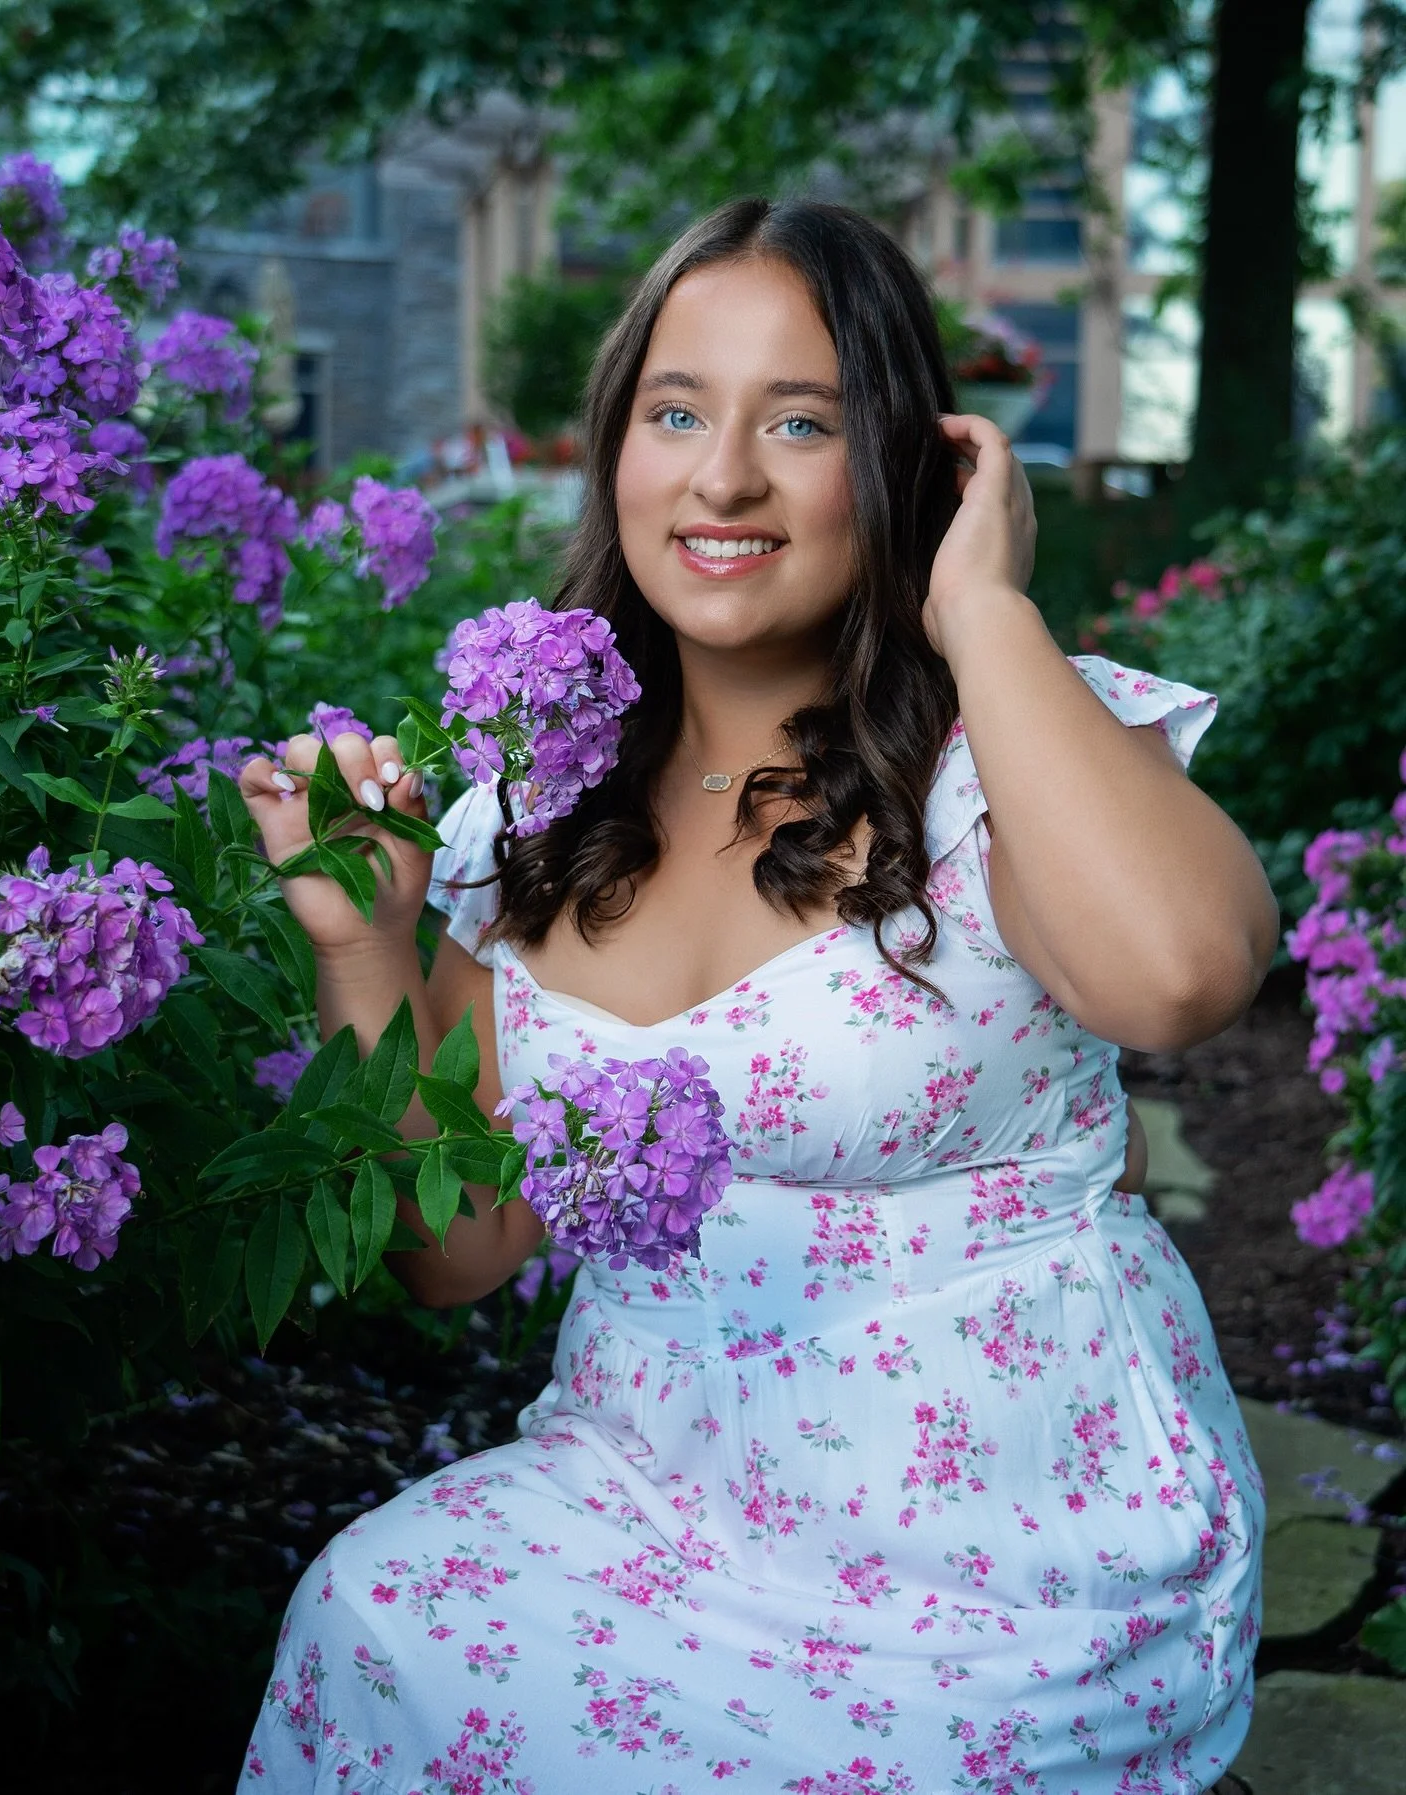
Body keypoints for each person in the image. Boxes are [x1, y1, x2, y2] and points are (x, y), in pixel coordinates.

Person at [237, 198, 1277, 1794]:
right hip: (651, 1487)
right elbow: (455, 1252)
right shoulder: (531, 799)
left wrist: (983, 607)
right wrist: (367, 947)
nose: (723, 477)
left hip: (1013, 1551)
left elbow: (1184, 977)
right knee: (365, 1619)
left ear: (908, 467)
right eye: (677, 413)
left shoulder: (1002, 758)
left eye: (800, 420)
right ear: (616, 452)